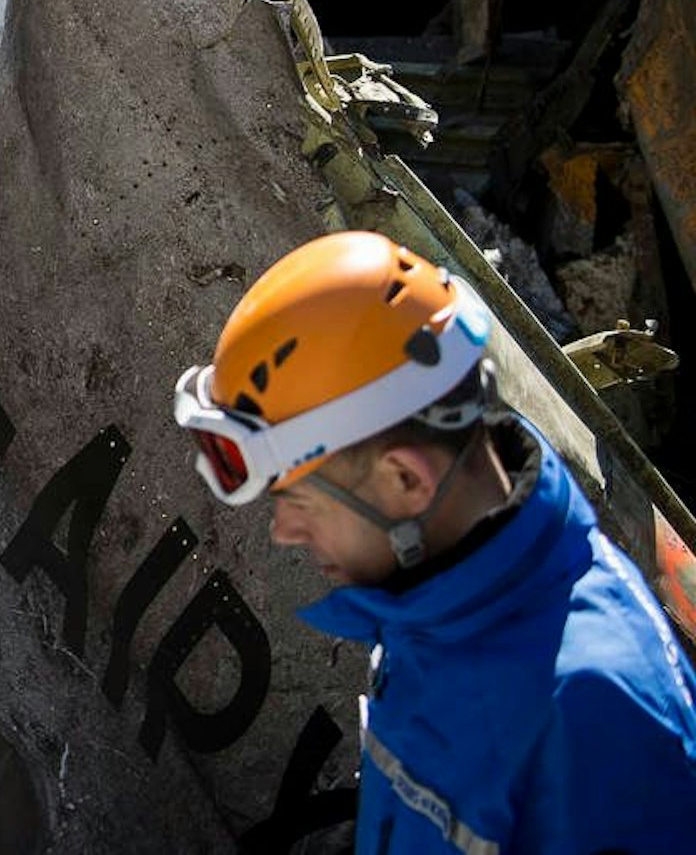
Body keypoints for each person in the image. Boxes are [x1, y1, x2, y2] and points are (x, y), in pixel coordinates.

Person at [174, 229, 696, 853]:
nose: (283, 531)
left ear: (404, 478)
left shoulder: (595, 725)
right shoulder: (446, 592)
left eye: (298, 500)